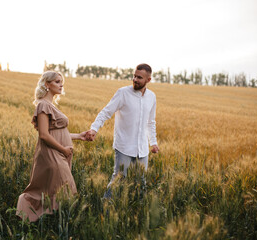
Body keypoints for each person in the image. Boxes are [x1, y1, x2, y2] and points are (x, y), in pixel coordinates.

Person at [16, 71, 88, 222]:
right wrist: (63, 149)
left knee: (55, 190)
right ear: (47, 84)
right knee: (64, 188)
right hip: (52, 153)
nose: (61, 84)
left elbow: (58, 132)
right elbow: (44, 134)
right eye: (57, 81)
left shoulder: (50, 105)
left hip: (60, 153)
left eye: (61, 82)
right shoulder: (43, 105)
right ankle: (29, 215)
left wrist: (79, 136)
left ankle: (49, 223)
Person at [86, 63, 159, 198]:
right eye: (134, 76)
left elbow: (150, 122)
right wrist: (94, 129)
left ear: (148, 80)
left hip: (142, 149)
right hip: (124, 146)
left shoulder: (151, 97)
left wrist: (153, 142)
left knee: (140, 182)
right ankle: (106, 208)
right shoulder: (123, 93)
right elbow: (106, 112)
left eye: (139, 78)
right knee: (118, 179)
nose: (135, 80)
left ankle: (137, 211)